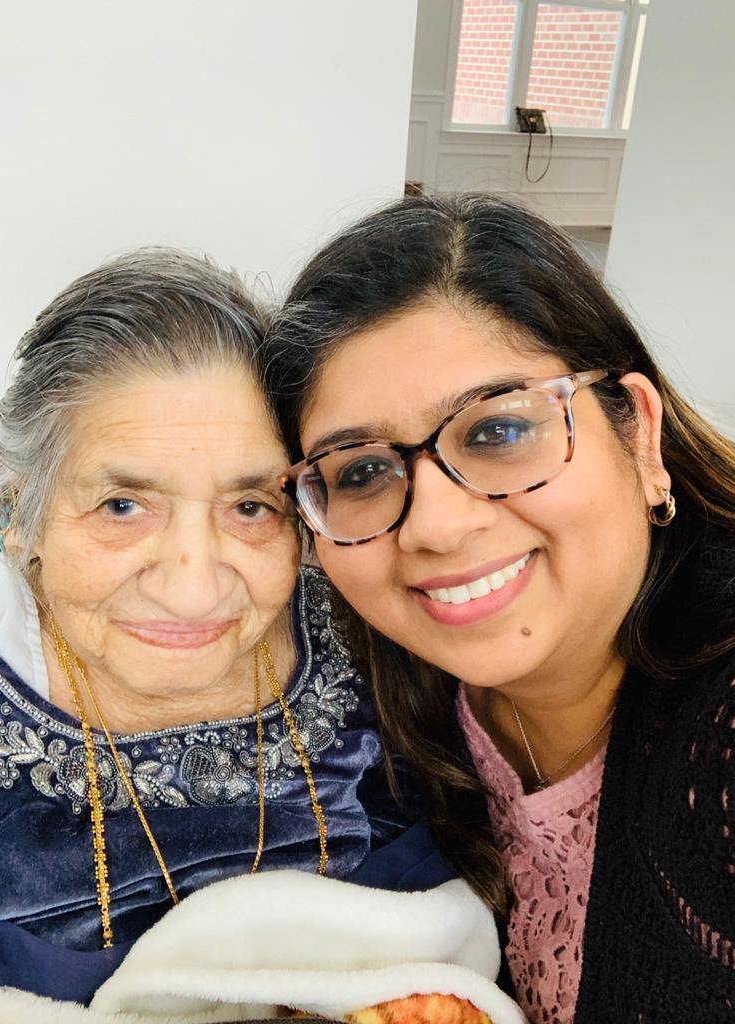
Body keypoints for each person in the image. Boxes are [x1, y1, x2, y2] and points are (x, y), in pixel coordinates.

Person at [0, 248, 524, 1024]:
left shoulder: (373, 637)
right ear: (21, 513)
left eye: (252, 507)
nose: (193, 586)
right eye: (123, 506)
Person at [264, 193, 735, 1024]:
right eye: (362, 472)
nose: (437, 527)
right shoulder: (361, 699)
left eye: (498, 431)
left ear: (639, 433)